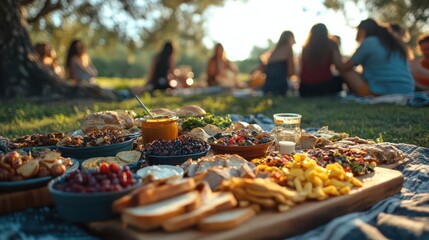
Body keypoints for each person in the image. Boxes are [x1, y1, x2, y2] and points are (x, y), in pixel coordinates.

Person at [341, 18, 415, 96]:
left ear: (362, 30)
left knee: (347, 71)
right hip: (408, 90)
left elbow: (345, 67)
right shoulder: (395, 43)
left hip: (380, 92)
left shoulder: (369, 42)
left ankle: (353, 94)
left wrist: (335, 53)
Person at [299, 24, 344, 97]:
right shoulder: (331, 44)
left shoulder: (306, 47)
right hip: (324, 86)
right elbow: (339, 65)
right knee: (339, 79)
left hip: (305, 89)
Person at [262, 31, 296, 96]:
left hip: (267, 88)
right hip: (280, 88)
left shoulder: (274, 52)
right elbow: (290, 72)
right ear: (290, 38)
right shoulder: (288, 48)